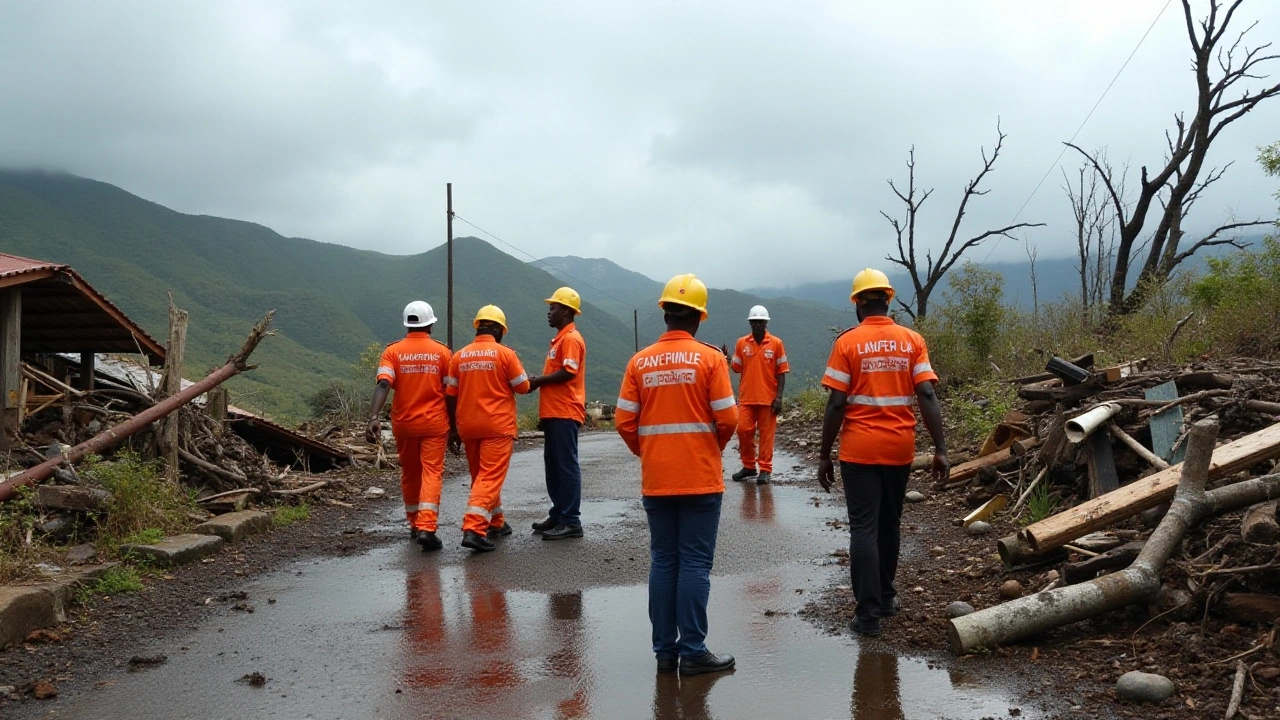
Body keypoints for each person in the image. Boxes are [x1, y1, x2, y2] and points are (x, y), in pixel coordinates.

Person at [615, 273, 739, 676]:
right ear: (699, 318)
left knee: (664, 561)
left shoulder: (639, 361)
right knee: (695, 563)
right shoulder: (710, 359)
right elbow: (728, 417)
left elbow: (623, 421)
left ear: (664, 313)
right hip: (700, 477)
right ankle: (694, 651)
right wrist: (709, 448)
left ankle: (665, 653)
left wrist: (648, 451)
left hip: (658, 478)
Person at [817, 268, 949, 637]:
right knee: (890, 523)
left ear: (858, 303)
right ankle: (887, 597)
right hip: (899, 447)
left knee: (863, 528)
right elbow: (926, 395)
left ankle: (868, 615)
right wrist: (940, 449)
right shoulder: (911, 340)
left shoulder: (847, 343)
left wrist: (825, 454)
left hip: (859, 450)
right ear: (888, 300)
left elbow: (836, 404)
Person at [445, 305, 538, 553]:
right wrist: (532, 380)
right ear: (498, 329)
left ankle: (496, 522)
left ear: (478, 326)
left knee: (481, 477)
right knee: (489, 477)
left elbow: (450, 395)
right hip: (497, 425)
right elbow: (522, 387)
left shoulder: (460, 356)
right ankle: (474, 529)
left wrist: (453, 428)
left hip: (467, 425)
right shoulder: (506, 354)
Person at [366, 301, 452, 551]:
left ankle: (414, 523)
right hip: (434, 423)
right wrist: (455, 425)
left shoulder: (392, 352)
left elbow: (383, 385)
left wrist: (373, 417)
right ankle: (427, 526)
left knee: (410, 472)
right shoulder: (442, 352)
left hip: (403, 424)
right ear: (431, 324)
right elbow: (450, 392)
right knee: (431, 472)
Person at [530, 287, 587, 541]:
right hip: (554, 412)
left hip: (566, 411)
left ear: (565, 311)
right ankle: (558, 513)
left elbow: (569, 372)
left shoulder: (571, 339)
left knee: (565, 466)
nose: (549, 312)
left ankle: (571, 520)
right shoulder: (560, 340)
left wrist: (538, 380)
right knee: (553, 466)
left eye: (553, 308)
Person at [729, 305, 790, 485]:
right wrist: (728, 358)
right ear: (750, 323)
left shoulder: (776, 343)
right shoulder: (741, 343)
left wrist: (779, 397)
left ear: (766, 323)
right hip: (747, 398)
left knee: (766, 436)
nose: (757, 325)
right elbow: (737, 367)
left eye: (760, 322)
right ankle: (748, 466)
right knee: (742, 431)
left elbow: (782, 372)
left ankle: (765, 469)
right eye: (754, 322)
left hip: (768, 399)